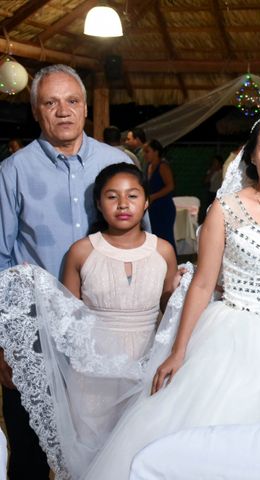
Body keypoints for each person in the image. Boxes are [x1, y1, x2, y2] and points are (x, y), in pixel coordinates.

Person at [84, 111, 260, 480]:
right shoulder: (225, 209)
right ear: (251, 156)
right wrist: (179, 351)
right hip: (235, 336)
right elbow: (204, 283)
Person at [0, 63, 137, 480]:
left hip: (107, 329)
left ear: (84, 108)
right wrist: (5, 342)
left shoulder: (117, 163)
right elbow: (1, 260)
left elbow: (143, 245)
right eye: (51, 102)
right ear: (36, 110)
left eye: (72, 101)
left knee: (109, 444)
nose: (63, 111)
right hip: (36, 330)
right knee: (30, 447)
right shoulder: (13, 172)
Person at [0, 162, 178, 478]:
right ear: (98, 203)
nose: (123, 204)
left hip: (145, 366)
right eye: (112, 196)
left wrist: (185, 289)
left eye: (133, 195)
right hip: (92, 373)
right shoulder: (82, 252)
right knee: (92, 455)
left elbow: (169, 308)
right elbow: (67, 317)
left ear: (146, 201)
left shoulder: (163, 250)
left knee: (140, 454)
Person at [144, 139, 177, 252]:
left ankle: (172, 263)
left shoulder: (163, 166)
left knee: (166, 236)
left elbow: (170, 186)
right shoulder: (148, 166)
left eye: (147, 151)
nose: (145, 155)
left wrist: (153, 196)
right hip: (153, 207)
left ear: (156, 152)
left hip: (164, 206)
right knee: (154, 236)